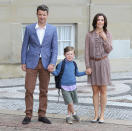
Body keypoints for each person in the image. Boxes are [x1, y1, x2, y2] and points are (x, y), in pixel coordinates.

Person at [21, 4, 58, 124]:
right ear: (37, 14)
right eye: (40, 14)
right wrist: (23, 62)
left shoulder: (52, 29)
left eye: (44, 14)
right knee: (29, 90)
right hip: (31, 63)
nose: (42, 16)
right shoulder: (29, 28)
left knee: (44, 90)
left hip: (46, 64)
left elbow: (55, 48)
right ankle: (28, 114)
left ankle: (42, 114)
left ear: (47, 15)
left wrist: (53, 63)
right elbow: (24, 46)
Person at [85, 13, 112, 123]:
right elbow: (86, 51)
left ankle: (102, 115)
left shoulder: (108, 34)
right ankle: (95, 115)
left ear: (104, 22)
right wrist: (88, 66)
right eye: (98, 20)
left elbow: (109, 49)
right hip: (93, 64)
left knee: (103, 91)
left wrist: (105, 38)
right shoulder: (89, 35)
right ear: (95, 22)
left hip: (103, 63)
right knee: (95, 91)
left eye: (102, 20)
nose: (100, 22)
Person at [52, 46, 87, 124]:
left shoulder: (74, 64)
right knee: (70, 102)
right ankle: (74, 113)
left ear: (74, 55)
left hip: (73, 86)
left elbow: (77, 74)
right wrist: (51, 71)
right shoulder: (61, 64)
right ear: (64, 54)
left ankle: (68, 116)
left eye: (71, 54)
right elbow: (57, 73)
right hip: (64, 87)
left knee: (70, 102)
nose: (70, 56)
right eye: (68, 54)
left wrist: (85, 72)